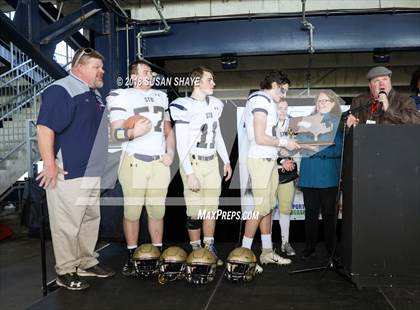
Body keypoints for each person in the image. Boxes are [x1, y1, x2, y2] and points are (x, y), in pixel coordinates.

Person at [36, 47, 114, 291]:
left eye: (101, 67)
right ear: (79, 66)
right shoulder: (61, 90)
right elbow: (44, 128)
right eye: (96, 67)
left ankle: (86, 263)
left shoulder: (95, 95)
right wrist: (49, 164)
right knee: (67, 225)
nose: (102, 71)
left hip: (91, 171)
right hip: (68, 172)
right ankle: (66, 270)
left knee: (89, 221)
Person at [107, 59, 175, 276]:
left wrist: (170, 152)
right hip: (134, 159)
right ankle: (132, 255)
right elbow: (115, 134)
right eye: (146, 71)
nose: (150, 75)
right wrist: (133, 133)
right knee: (133, 212)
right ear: (133, 76)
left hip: (159, 162)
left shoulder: (161, 96)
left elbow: (168, 129)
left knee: (157, 211)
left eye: (151, 72)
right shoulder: (121, 95)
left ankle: (157, 254)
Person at [169, 67, 232, 265]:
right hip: (193, 162)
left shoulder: (216, 104)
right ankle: (196, 249)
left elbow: (218, 134)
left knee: (211, 210)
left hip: (212, 162)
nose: (213, 83)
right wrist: (189, 173)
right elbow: (181, 144)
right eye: (209, 80)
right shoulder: (182, 105)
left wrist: (226, 160)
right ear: (197, 82)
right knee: (195, 212)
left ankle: (208, 247)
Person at [242, 70, 299, 269]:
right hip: (260, 161)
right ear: (275, 84)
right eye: (283, 91)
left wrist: (283, 147)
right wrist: (284, 141)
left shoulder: (267, 102)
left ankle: (266, 252)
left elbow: (268, 139)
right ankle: (244, 256)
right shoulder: (260, 99)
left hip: (268, 160)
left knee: (267, 207)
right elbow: (259, 137)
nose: (283, 95)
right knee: (259, 209)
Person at [298, 90, 343, 259]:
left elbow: (338, 147)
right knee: (310, 214)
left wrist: (314, 149)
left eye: (326, 101)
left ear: (333, 104)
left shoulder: (339, 123)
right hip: (309, 176)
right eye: (319, 101)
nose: (322, 103)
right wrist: (321, 148)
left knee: (330, 215)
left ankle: (332, 248)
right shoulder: (306, 122)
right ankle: (309, 247)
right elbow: (301, 145)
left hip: (329, 176)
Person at [347, 66, 420, 127]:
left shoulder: (405, 101)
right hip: (366, 142)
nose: (381, 84)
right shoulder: (359, 101)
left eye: (385, 79)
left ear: (390, 82)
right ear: (370, 85)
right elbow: (346, 130)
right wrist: (349, 126)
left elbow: (416, 122)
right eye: (376, 81)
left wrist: (389, 109)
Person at [275, 99, 297, 256]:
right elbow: (263, 146)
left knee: (285, 210)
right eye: (279, 108)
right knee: (266, 210)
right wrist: (281, 159)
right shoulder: (266, 123)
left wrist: (288, 160)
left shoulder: (292, 125)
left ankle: (285, 243)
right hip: (268, 171)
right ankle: (266, 244)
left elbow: (295, 146)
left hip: (286, 174)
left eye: (285, 108)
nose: (282, 111)